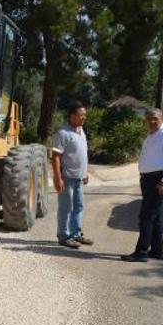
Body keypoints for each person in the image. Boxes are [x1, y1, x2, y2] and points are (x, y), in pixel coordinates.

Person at [121, 108, 163, 262]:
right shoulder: (151, 135)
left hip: (158, 180)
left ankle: (141, 253)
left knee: (146, 217)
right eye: (148, 119)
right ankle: (156, 251)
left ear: (161, 117)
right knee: (155, 217)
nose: (151, 121)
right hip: (148, 179)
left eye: (155, 118)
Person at [52, 103, 94, 249]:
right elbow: (55, 157)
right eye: (81, 115)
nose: (84, 118)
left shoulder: (81, 131)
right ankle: (64, 236)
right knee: (66, 207)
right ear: (72, 116)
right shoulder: (63, 133)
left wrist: (85, 172)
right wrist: (57, 178)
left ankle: (75, 234)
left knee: (78, 206)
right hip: (67, 177)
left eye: (84, 116)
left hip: (79, 178)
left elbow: (83, 154)